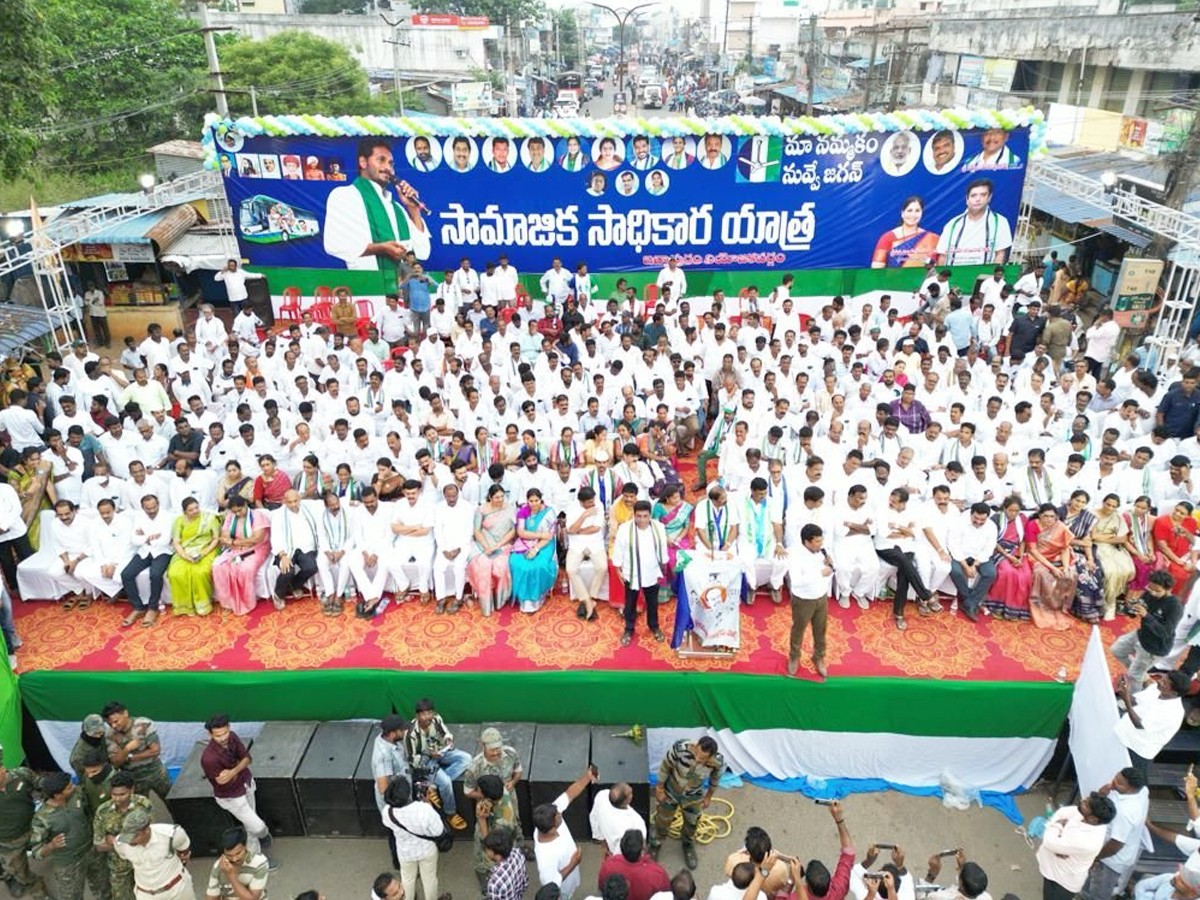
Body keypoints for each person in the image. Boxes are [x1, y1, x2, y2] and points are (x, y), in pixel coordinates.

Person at [322, 138, 431, 293]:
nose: (387, 167)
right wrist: (380, 248)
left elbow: (423, 251)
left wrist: (413, 209)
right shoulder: (345, 195)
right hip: (366, 289)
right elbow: (334, 245)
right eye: (381, 160)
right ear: (363, 162)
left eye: (391, 163)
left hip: (400, 293)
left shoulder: (397, 208)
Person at [200, 715, 274, 863]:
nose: (223, 738)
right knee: (257, 827)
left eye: (225, 733)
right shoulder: (209, 758)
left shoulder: (233, 737)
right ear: (210, 734)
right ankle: (264, 836)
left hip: (246, 784)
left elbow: (247, 758)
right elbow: (224, 783)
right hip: (232, 797)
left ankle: (256, 859)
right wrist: (239, 766)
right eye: (218, 735)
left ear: (229, 728)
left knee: (250, 827)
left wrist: (233, 771)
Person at [30, 772, 110, 900]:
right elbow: (36, 852)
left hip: (92, 851)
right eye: (68, 787)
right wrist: (51, 845)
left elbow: (89, 812)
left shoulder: (77, 795)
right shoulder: (42, 818)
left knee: (103, 887)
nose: (73, 786)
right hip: (68, 863)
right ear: (57, 795)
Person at [649, 736, 723, 871]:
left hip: (693, 795)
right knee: (662, 819)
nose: (697, 759)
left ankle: (688, 844)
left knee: (692, 822)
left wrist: (708, 797)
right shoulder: (680, 749)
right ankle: (655, 843)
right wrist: (659, 789)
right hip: (672, 789)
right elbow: (665, 766)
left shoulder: (717, 762)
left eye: (702, 758)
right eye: (696, 754)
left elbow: (715, 780)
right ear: (696, 746)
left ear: (711, 757)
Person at [403, 698, 471, 832]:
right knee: (445, 782)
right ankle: (450, 813)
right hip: (425, 761)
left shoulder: (436, 719)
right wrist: (429, 754)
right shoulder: (410, 734)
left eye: (429, 713)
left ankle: (432, 786)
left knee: (466, 758)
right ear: (417, 715)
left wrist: (448, 740)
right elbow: (411, 760)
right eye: (423, 714)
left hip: (441, 753)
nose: (427, 717)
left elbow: (445, 732)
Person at [1080, 767, 1149, 900]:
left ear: (1131, 789)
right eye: (1116, 777)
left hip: (1110, 860)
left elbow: (1115, 845)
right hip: (1110, 851)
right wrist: (1101, 795)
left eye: (1119, 782)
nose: (1113, 782)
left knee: (1098, 891)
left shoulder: (1125, 812)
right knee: (1089, 882)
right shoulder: (1143, 791)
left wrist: (1095, 857)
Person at [1110, 569, 1182, 687]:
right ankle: (1141, 674)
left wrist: (1147, 616)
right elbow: (1134, 613)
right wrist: (1130, 608)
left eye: (1157, 591)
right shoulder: (1149, 593)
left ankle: (1133, 701)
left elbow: (1166, 632)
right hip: (1142, 634)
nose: (1152, 593)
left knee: (1133, 675)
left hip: (1156, 646)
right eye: (1150, 588)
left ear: (1169, 590)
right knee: (1116, 650)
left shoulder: (1175, 606)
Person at [1036, 794, 1116, 900]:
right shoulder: (1084, 815)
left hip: (1063, 882)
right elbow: (1062, 812)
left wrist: (1058, 826)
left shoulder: (1088, 841)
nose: (1082, 800)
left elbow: (1049, 841)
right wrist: (1059, 840)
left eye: (1086, 804)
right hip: (1053, 870)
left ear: (1093, 819)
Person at [1114, 670, 1189, 778]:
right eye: (1162, 679)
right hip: (1122, 735)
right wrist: (1124, 689)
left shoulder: (1173, 712)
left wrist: (1126, 700)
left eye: (1164, 683)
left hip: (1137, 750)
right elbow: (1136, 700)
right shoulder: (1156, 689)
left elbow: (1139, 725)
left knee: (1127, 781)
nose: (1159, 682)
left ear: (1174, 693)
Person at [613, 500, 668, 647]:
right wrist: (619, 569)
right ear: (634, 515)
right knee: (630, 604)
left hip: (652, 571)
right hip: (632, 573)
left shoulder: (659, 527)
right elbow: (618, 549)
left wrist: (662, 569)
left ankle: (654, 626)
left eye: (645, 516)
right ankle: (629, 629)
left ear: (650, 515)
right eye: (639, 516)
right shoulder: (625, 529)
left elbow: (662, 549)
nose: (642, 520)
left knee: (652, 603)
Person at [92, 771, 152, 900]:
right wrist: (133, 839)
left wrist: (115, 840)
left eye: (122, 794)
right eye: (114, 794)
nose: (117, 798)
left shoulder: (143, 805)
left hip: (142, 861)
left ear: (132, 790)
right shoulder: (103, 811)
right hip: (118, 866)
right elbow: (99, 845)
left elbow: (149, 835)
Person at [382, 779, 445, 900]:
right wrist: (429, 804)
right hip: (427, 850)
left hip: (405, 852)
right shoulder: (424, 809)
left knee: (407, 879)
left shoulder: (387, 812)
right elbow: (438, 831)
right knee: (429, 879)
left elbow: (388, 825)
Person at [0, 743, 48, 900]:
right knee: (19, 871)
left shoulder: (22, 775)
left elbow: (42, 786)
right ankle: (29, 885)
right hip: (8, 840)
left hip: (33, 827)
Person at [787, 523, 833, 678]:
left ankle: (819, 657)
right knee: (799, 629)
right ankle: (794, 656)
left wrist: (830, 566)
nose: (821, 544)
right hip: (804, 599)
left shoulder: (822, 552)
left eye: (821, 541)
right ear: (807, 542)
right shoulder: (794, 554)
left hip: (821, 597)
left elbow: (830, 570)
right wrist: (821, 573)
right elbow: (797, 580)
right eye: (817, 542)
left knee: (820, 630)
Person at [212, 496, 271, 616]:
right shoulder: (230, 516)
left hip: (256, 549)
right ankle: (228, 603)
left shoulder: (257, 516)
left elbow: (256, 539)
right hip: (235, 549)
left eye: (240, 510)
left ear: (245, 505)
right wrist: (231, 543)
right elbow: (224, 535)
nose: (238, 514)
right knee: (217, 566)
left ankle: (247, 603)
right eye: (235, 512)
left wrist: (234, 542)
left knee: (244, 569)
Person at [103, 702, 172, 803]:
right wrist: (127, 748)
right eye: (110, 724)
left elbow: (155, 750)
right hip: (134, 779)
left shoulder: (144, 724)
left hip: (156, 773)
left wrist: (129, 757)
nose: (114, 726)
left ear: (125, 713)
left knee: (173, 803)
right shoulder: (109, 735)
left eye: (116, 721)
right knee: (140, 810)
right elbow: (116, 762)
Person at [165, 497, 221, 617]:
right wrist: (184, 555)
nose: (195, 511)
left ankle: (203, 606)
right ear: (184, 512)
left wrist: (203, 553)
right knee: (175, 573)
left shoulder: (209, 518)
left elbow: (216, 539)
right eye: (191, 510)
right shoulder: (179, 521)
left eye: (196, 508)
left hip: (207, 548)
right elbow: (176, 542)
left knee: (200, 572)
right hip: (185, 551)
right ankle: (185, 607)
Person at [936, 179, 1012, 266]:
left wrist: (990, 278)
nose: (978, 199)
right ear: (967, 199)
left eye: (983, 195)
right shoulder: (953, 224)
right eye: (973, 195)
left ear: (989, 197)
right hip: (953, 276)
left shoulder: (999, 222)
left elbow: (1000, 254)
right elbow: (942, 256)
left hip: (984, 277)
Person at [467, 484, 516, 615]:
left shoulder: (510, 508)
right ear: (490, 497)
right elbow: (477, 530)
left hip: (503, 544)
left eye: (502, 496)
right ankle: (487, 605)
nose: (500, 499)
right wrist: (486, 546)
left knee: (500, 567)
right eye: (496, 497)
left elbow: (513, 531)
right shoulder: (481, 510)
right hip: (484, 544)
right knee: (482, 565)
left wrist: (499, 544)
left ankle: (499, 599)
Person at [1025, 504, 1076, 631]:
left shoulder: (1060, 527)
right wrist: (1052, 568)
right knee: (1042, 574)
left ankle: (1060, 607)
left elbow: (1065, 548)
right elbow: (1033, 550)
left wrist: (1065, 566)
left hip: (1057, 556)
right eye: (1046, 516)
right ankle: (1044, 608)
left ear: (1056, 517)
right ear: (1040, 515)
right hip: (1037, 557)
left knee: (1071, 574)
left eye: (1052, 517)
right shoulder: (1032, 525)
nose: (1049, 519)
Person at [370, 714, 412, 867]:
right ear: (393, 733)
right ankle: (399, 863)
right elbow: (383, 787)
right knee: (397, 834)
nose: (405, 732)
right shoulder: (383, 755)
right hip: (396, 805)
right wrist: (400, 803)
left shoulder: (385, 739)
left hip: (402, 797)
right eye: (402, 730)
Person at [948, 502, 999, 622]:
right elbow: (953, 545)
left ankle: (969, 603)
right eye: (976, 518)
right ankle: (970, 603)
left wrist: (975, 565)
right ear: (971, 514)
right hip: (960, 555)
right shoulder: (959, 522)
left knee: (991, 573)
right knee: (955, 571)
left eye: (983, 520)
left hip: (980, 557)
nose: (979, 522)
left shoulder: (991, 526)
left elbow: (988, 548)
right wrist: (966, 566)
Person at [510, 488, 558, 613]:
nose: (534, 503)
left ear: (541, 499)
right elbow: (521, 532)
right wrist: (540, 535)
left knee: (538, 565)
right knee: (517, 563)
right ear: (527, 501)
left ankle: (537, 598)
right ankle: (524, 600)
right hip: (525, 543)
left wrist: (536, 548)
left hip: (544, 545)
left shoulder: (549, 512)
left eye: (536, 500)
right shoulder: (523, 511)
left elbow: (549, 536)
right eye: (531, 501)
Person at [983, 497, 1031, 621]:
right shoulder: (996, 519)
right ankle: (997, 606)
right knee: (1007, 572)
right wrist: (1008, 555)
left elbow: (1023, 540)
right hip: (999, 549)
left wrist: (1020, 556)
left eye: (1017, 511)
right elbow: (993, 540)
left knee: (1024, 575)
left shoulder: (1023, 519)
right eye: (1011, 510)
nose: (1014, 514)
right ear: (1005, 508)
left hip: (1016, 550)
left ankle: (1015, 609)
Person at [271, 489, 319, 608]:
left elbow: (326, 503)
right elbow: (275, 537)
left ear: (300, 499)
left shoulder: (309, 508)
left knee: (311, 567)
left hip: (306, 548)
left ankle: (295, 585)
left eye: (295, 501)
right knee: (287, 571)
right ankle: (278, 594)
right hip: (286, 550)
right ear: (284, 502)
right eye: (289, 502)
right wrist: (283, 556)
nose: (293, 505)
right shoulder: (278, 515)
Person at [565, 486, 608, 621]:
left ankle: (592, 596)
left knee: (602, 567)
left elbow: (595, 528)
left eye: (593, 500)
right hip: (576, 544)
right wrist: (584, 516)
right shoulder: (572, 507)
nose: (592, 503)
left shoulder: (598, 505)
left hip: (595, 542)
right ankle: (587, 601)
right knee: (570, 569)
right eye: (589, 502)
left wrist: (578, 531)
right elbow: (570, 529)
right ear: (581, 502)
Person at [1092, 493, 1135, 620]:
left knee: (1128, 570)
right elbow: (1093, 537)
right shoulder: (1093, 514)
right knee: (1110, 571)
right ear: (1103, 502)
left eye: (1113, 506)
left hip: (1113, 547)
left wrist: (1107, 538)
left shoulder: (1117, 517)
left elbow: (1123, 538)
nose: (1110, 508)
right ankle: (1109, 604)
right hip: (1097, 547)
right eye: (1108, 504)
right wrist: (1111, 537)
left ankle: (1113, 598)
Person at [802, 800, 855, 900]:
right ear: (830, 881)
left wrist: (792, 881)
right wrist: (839, 820)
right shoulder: (839, 888)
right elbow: (849, 853)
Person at [872, 196, 938, 268]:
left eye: (917, 211)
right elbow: (876, 268)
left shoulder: (931, 238)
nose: (913, 215)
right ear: (902, 213)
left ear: (922, 213)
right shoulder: (888, 237)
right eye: (909, 210)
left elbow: (938, 266)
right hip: (894, 279)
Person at [203, 827, 267, 900]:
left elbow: (252, 898)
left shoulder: (259, 862)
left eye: (238, 853)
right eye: (229, 855)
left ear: (245, 846)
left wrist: (230, 876)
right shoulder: (219, 865)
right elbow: (211, 897)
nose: (234, 859)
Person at [589, 783, 647, 857]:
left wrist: (603, 845)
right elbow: (640, 846)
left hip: (610, 851)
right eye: (630, 793)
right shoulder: (637, 822)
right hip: (624, 858)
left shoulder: (602, 796)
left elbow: (594, 819)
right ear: (627, 800)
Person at [483, 827, 529, 900]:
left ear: (497, 855)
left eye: (488, 849)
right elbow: (525, 883)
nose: (485, 850)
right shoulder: (517, 853)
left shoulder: (494, 884)